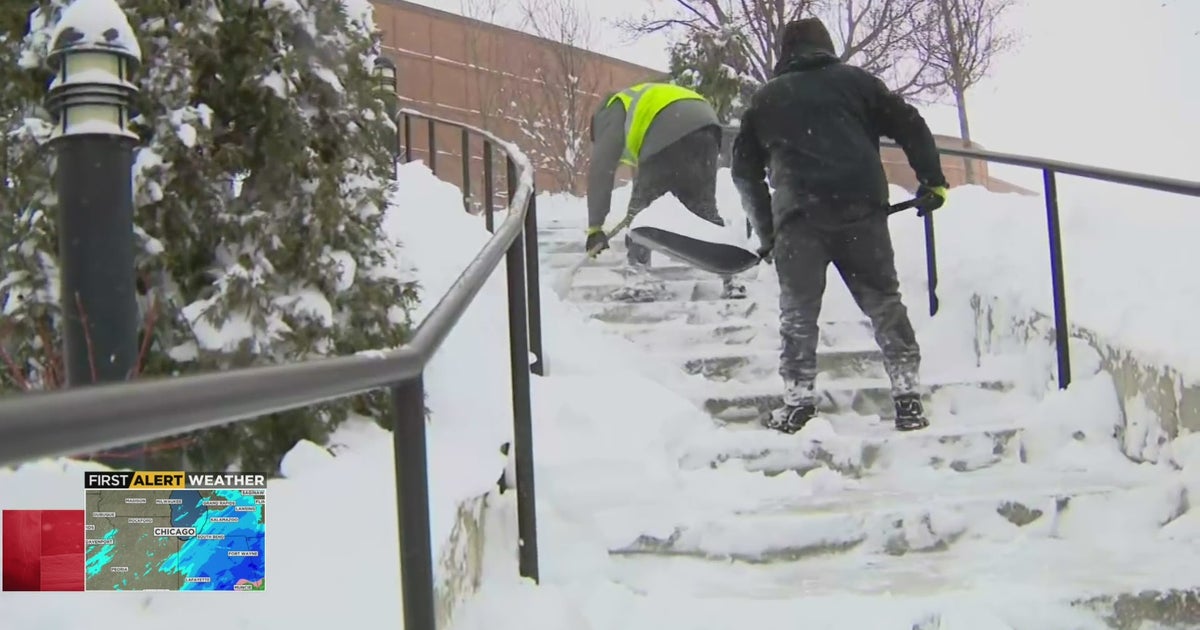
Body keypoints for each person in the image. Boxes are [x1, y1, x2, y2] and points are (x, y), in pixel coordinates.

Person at [730, 17, 949, 433]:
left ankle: (798, 404)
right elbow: (910, 123)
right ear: (827, 46)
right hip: (861, 212)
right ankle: (907, 399)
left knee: (798, 314)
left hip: (799, 219)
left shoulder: (767, 99)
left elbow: (745, 175)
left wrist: (768, 233)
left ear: (785, 53)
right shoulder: (857, 84)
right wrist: (932, 180)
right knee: (884, 303)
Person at [585, 82, 747, 301]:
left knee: (641, 213)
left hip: (667, 122)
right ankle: (731, 278)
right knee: (704, 208)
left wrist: (595, 227)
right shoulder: (638, 103)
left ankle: (639, 280)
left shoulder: (610, 111)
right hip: (707, 125)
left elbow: (601, 170)